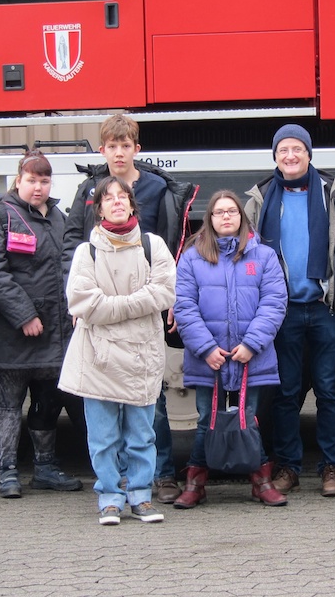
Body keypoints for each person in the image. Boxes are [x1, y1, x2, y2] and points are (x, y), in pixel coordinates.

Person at [62, 114, 197, 504]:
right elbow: (73, 242)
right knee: (106, 411)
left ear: (136, 149)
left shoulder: (158, 187)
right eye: (111, 146)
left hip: (143, 316)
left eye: (126, 146)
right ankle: (117, 485)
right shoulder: (91, 188)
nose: (119, 153)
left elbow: (176, 244)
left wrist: (173, 298)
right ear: (102, 149)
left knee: (150, 404)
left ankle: (163, 475)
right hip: (102, 314)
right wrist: (74, 298)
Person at [245, 124, 335, 497]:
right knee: (285, 393)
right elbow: (245, 254)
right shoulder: (261, 198)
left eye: (297, 149)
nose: (290, 156)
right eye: (283, 150)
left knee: (329, 391)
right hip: (281, 313)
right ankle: (288, 467)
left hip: (324, 310)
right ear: (275, 157)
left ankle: (332, 468)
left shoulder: (333, 194)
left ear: (309, 154)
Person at [0, 150, 83, 498]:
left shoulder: (59, 219)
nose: (38, 187)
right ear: (18, 181)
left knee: (49, 402)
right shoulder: (1, 216)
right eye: (32, 180)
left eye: (44, 181)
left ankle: (45, 468)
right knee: (8, 402)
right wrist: (24, 315)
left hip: (54, 334)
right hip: (12, 333)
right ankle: (7, 471)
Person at [59, 177, 177, 525]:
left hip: (142, 355)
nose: (116, 202)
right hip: (98, 357)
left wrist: (112, 306)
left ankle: (140, 497)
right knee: (103, 436)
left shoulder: (152, 246)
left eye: (122, 196)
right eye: (108, 198)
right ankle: (110, 498)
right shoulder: (86, 252)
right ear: (99, 208)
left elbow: (165, 293)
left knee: (142, 435)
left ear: (131, 203)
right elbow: (83, 303)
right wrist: (134, 305)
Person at [172, 190, 289, 509]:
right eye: (219, 212)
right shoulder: (192, 256)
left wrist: (252, 344)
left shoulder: (263, 256)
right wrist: (205, 348)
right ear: (209, 219)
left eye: (232, 211)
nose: (226, 216)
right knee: (206, 419)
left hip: (250, 357)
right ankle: (195, 482)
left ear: (242, 217)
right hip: (206, 358)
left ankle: (260, 481)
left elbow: (275, 302)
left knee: (247, 418)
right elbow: (183, 306)